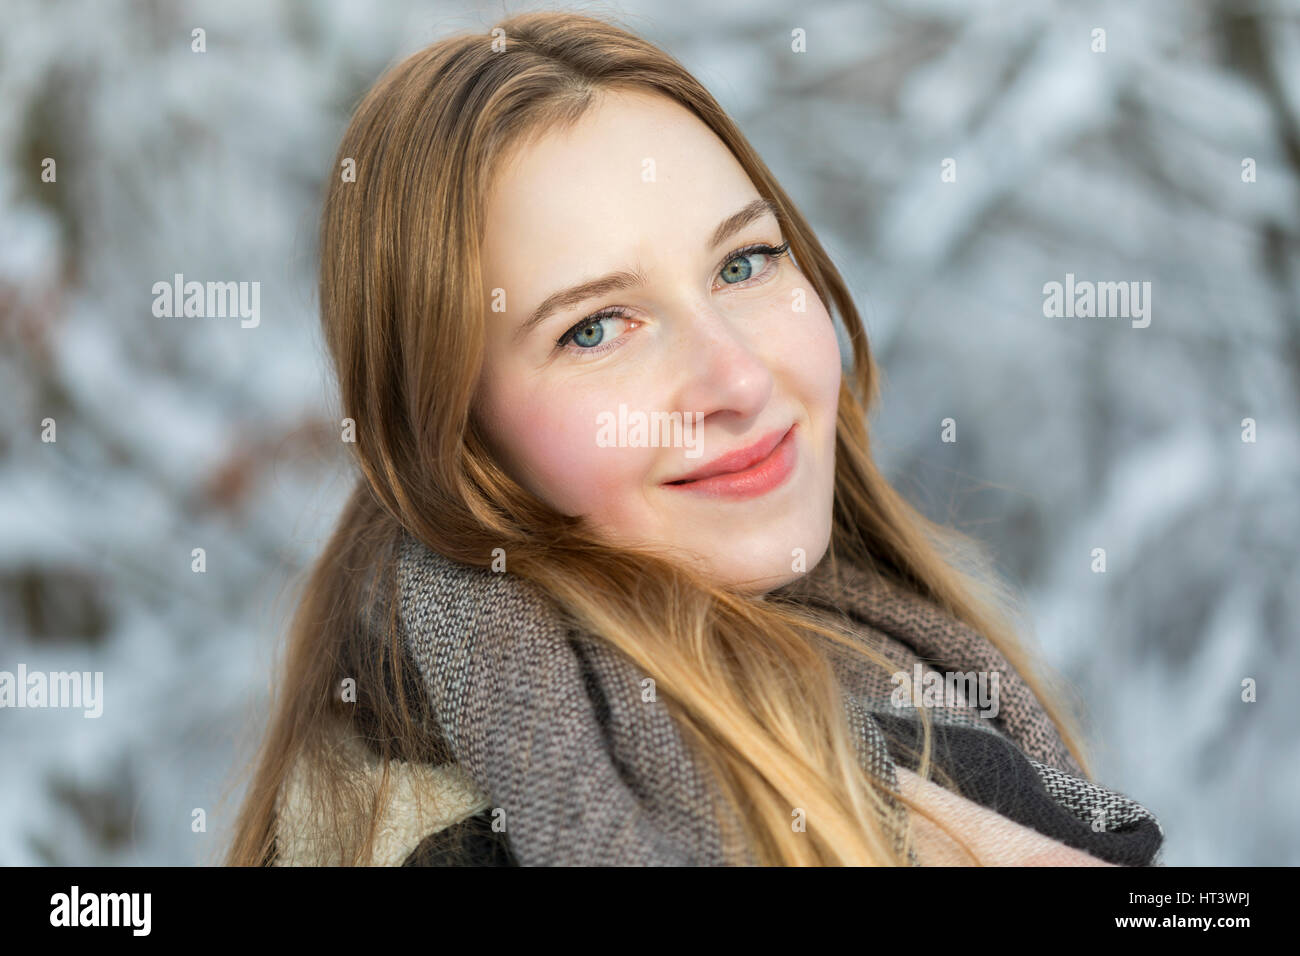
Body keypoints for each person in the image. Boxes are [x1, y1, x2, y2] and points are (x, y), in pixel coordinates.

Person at [224, 10, 1162, 867]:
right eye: (594, 327)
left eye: (745, 263)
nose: (740, 379)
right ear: (455, 435)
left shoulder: (897, 665)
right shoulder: (471, 841)